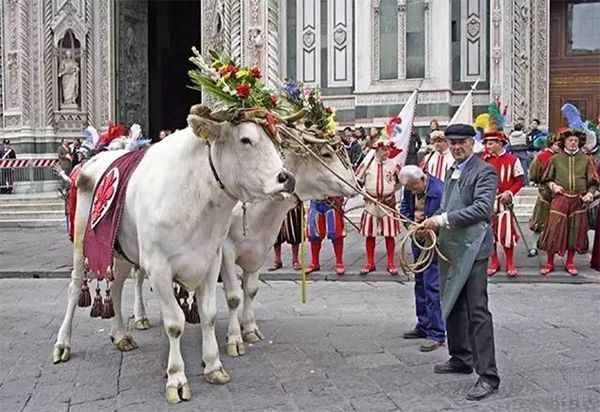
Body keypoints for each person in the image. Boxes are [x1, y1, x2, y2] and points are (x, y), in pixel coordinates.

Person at [422, 123, 500, 401]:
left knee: (477, 310)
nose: (456, 147)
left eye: (462, 142)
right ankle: (461, 357)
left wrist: (442, 220)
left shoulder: (485, 170)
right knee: (452, 302)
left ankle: (488, 376)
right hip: (453, 247)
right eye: (452, 142)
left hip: (475, 247)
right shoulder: (450, 169)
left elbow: (482, 209)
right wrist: (431, 221)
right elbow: (447, 205)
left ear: (472, 143)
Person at [538, 128, 598, 276]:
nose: (573, 143)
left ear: (579, 143)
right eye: (570, 140)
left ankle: (570, 263)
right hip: (560, 198)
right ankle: (549, 262)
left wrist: (590, 194)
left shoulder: (586, 160)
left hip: (578, 200)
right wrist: (553, 186)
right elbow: (545, 180)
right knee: (553, 230)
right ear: (564, 142)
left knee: (576, 231)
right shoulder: (555, 159)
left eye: (575, 141)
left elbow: (594, 182)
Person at [399, 165, 445, 352]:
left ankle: (437, 332)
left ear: (423, 180)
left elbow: (445, 215)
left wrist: (432, 227)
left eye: (412, 187)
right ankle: (423, 323)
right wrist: (409, 225)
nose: (410, 191)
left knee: (432, 286)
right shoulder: (410, 187)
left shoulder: (440, 190)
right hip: (417, 239)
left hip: (434, 242)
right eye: (408, 188)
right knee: (419, 282)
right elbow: (404, 209)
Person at [483, 130, 524, 277]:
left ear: (500, 143)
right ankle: (494, 262)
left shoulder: (513, 159)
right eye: (487, 143)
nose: (488, 146)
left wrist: (509, 192)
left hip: (504, 202)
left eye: (491, 143)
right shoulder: (483, 160)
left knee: (507, 234)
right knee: (489, 234)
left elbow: (519, 181)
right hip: (486, 202)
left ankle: (510, 263)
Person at [358, 134, 401, 275]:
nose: (387, 152)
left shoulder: (394, 164)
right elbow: (357, 182)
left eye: (388, 149)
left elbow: (401, 181)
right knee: (370, 234)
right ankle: (370, 262)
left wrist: (392, 193)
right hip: (371, 203)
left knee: (390, 234)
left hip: (387, 204)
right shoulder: (367, 163)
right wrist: (365, 195)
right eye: (383, 149)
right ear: (377, 150)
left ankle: (390, 262)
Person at [527, 135, 561, 257]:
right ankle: (534, 246)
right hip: (545, 193)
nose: (559, 146)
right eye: (557, 144)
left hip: (559, 193)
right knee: (539, 220)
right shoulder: (541, 156)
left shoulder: (562, 157)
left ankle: (553, 246)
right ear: (551, 144)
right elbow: (534, 174)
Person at [305, 197, 346, 275]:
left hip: (332, 200)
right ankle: (314, 262)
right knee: (314, 233)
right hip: (315, 200)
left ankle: (339, 262)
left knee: (336, 232)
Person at [269, 202, 303, 271]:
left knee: (294, 230)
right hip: (277, 202)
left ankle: (295, 260)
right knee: (276, 232)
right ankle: (277, 260)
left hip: (292, 202)